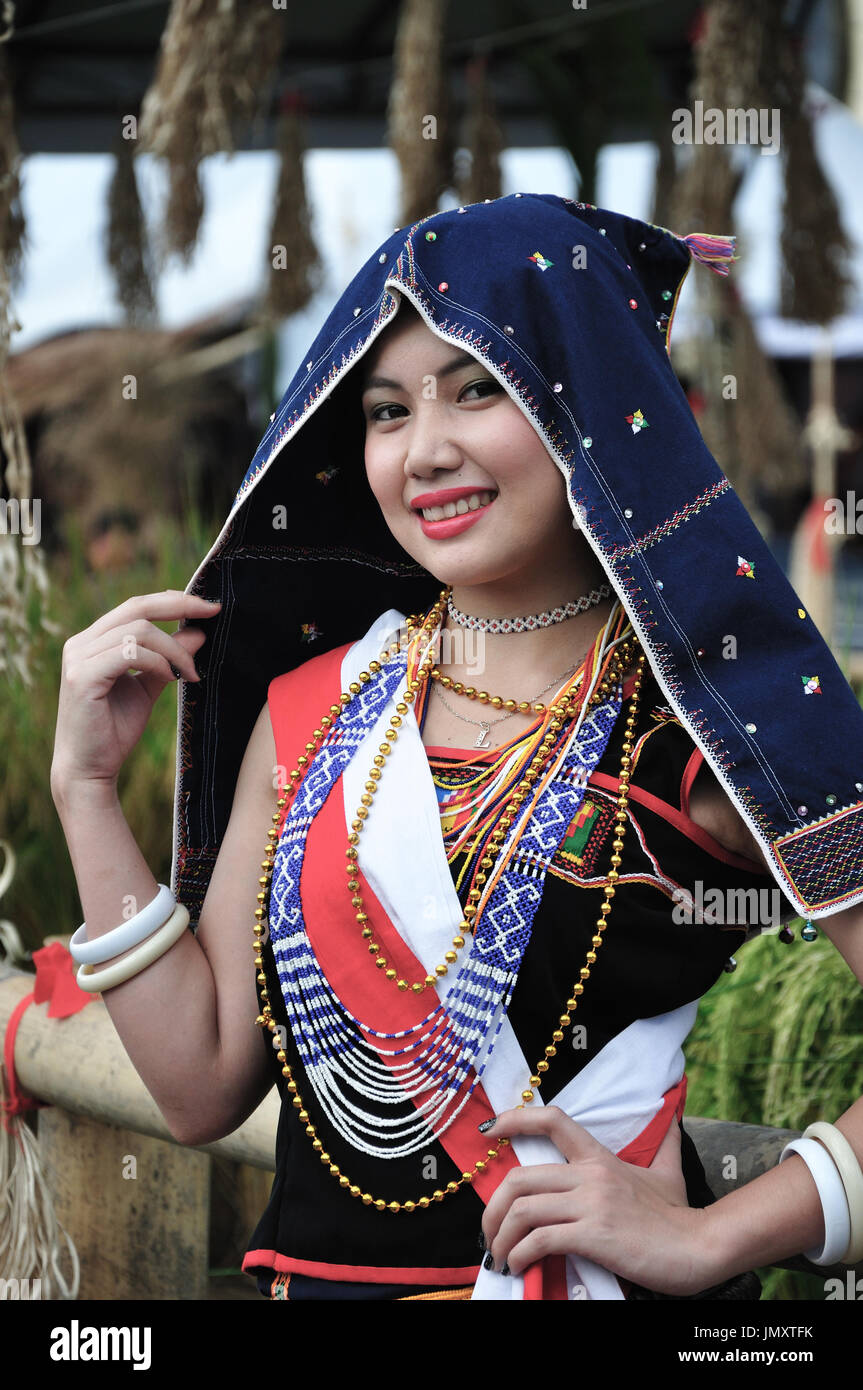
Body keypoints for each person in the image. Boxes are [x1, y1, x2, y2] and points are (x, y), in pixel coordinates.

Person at [51, 193, 863, 1302]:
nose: (423, 450)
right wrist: (88, 791)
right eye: (386, 411)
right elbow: (197, 1086)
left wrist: (716, 1235)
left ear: (591, 399)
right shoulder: (312, 715)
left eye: (479, 388)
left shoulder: (704, 726)